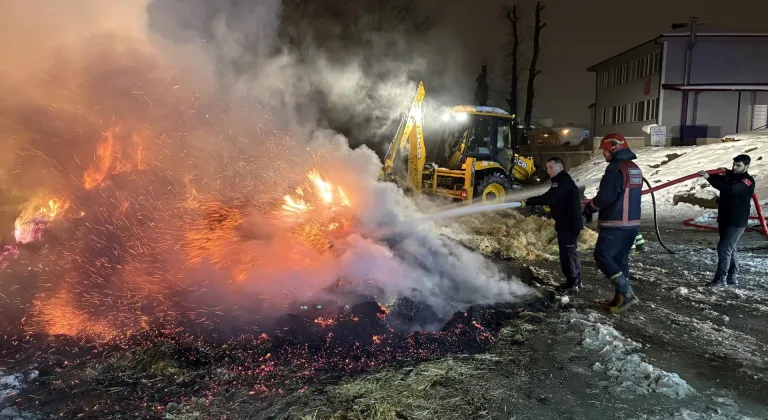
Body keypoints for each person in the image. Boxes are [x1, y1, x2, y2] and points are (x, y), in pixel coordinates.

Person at [583, 133, 643, 313]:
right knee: (619, 260)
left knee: (602, 256)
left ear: (614, 147)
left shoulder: (616, 168)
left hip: (615, 222)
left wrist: (590, 207)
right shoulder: (633, 168)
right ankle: (620, 300)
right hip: (631, 224)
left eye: (605, 149)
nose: (603, 153)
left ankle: (627, 293)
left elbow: (606, 196)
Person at [521, 157, 584, 293]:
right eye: (547, 167)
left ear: (560, 167)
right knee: (571, 252)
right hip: (568, 223)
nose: (548, 170)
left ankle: (572, 283)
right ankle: (576, 281)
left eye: (551, 167)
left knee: (567, 254)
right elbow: (550, 195)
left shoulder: (562, 181)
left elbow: (550, 198)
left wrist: (529, 201)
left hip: (568, 224)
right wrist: (531, 200)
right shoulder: (561, 180)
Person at [697, 154, 755, 287]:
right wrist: (714, 174)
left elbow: (730, 190)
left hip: (736, 221)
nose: (734, 167)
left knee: (724, 249)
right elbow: (722, 179)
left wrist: (709, 177)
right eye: (733, 164)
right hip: (725, 218)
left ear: (746, 167)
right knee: (730, 248)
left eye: (738, 165)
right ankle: (732, 277)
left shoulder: (747, 181)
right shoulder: (732, 176)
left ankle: (720, 280)